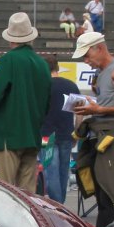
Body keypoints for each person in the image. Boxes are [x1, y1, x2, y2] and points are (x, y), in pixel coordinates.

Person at [70, 33, 114, 227]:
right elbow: (113, 103)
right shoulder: (102, 73)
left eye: (87, 55)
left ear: (99, 48)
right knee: (103, 196)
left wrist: (99, 109)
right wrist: (93, 106)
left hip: (113, 139)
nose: (86, 61)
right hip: (102, 136)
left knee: (109, 196)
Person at [0, 14, 50, 191]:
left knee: (3, 192)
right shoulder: (42, 64)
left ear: (10, 38)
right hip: (32, 136)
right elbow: (46, 102)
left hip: (8, 136)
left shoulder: (8, 59)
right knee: (27, 195)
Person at [40, 55, 80, 204]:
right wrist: (77, 132)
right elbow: (80, 111)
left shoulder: (41, 86)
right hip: (67, 133)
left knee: (51, 172)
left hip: (46, 135)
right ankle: (61, 204)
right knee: (64, 172)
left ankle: (56, 204)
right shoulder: (71, 85)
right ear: (57, 67)